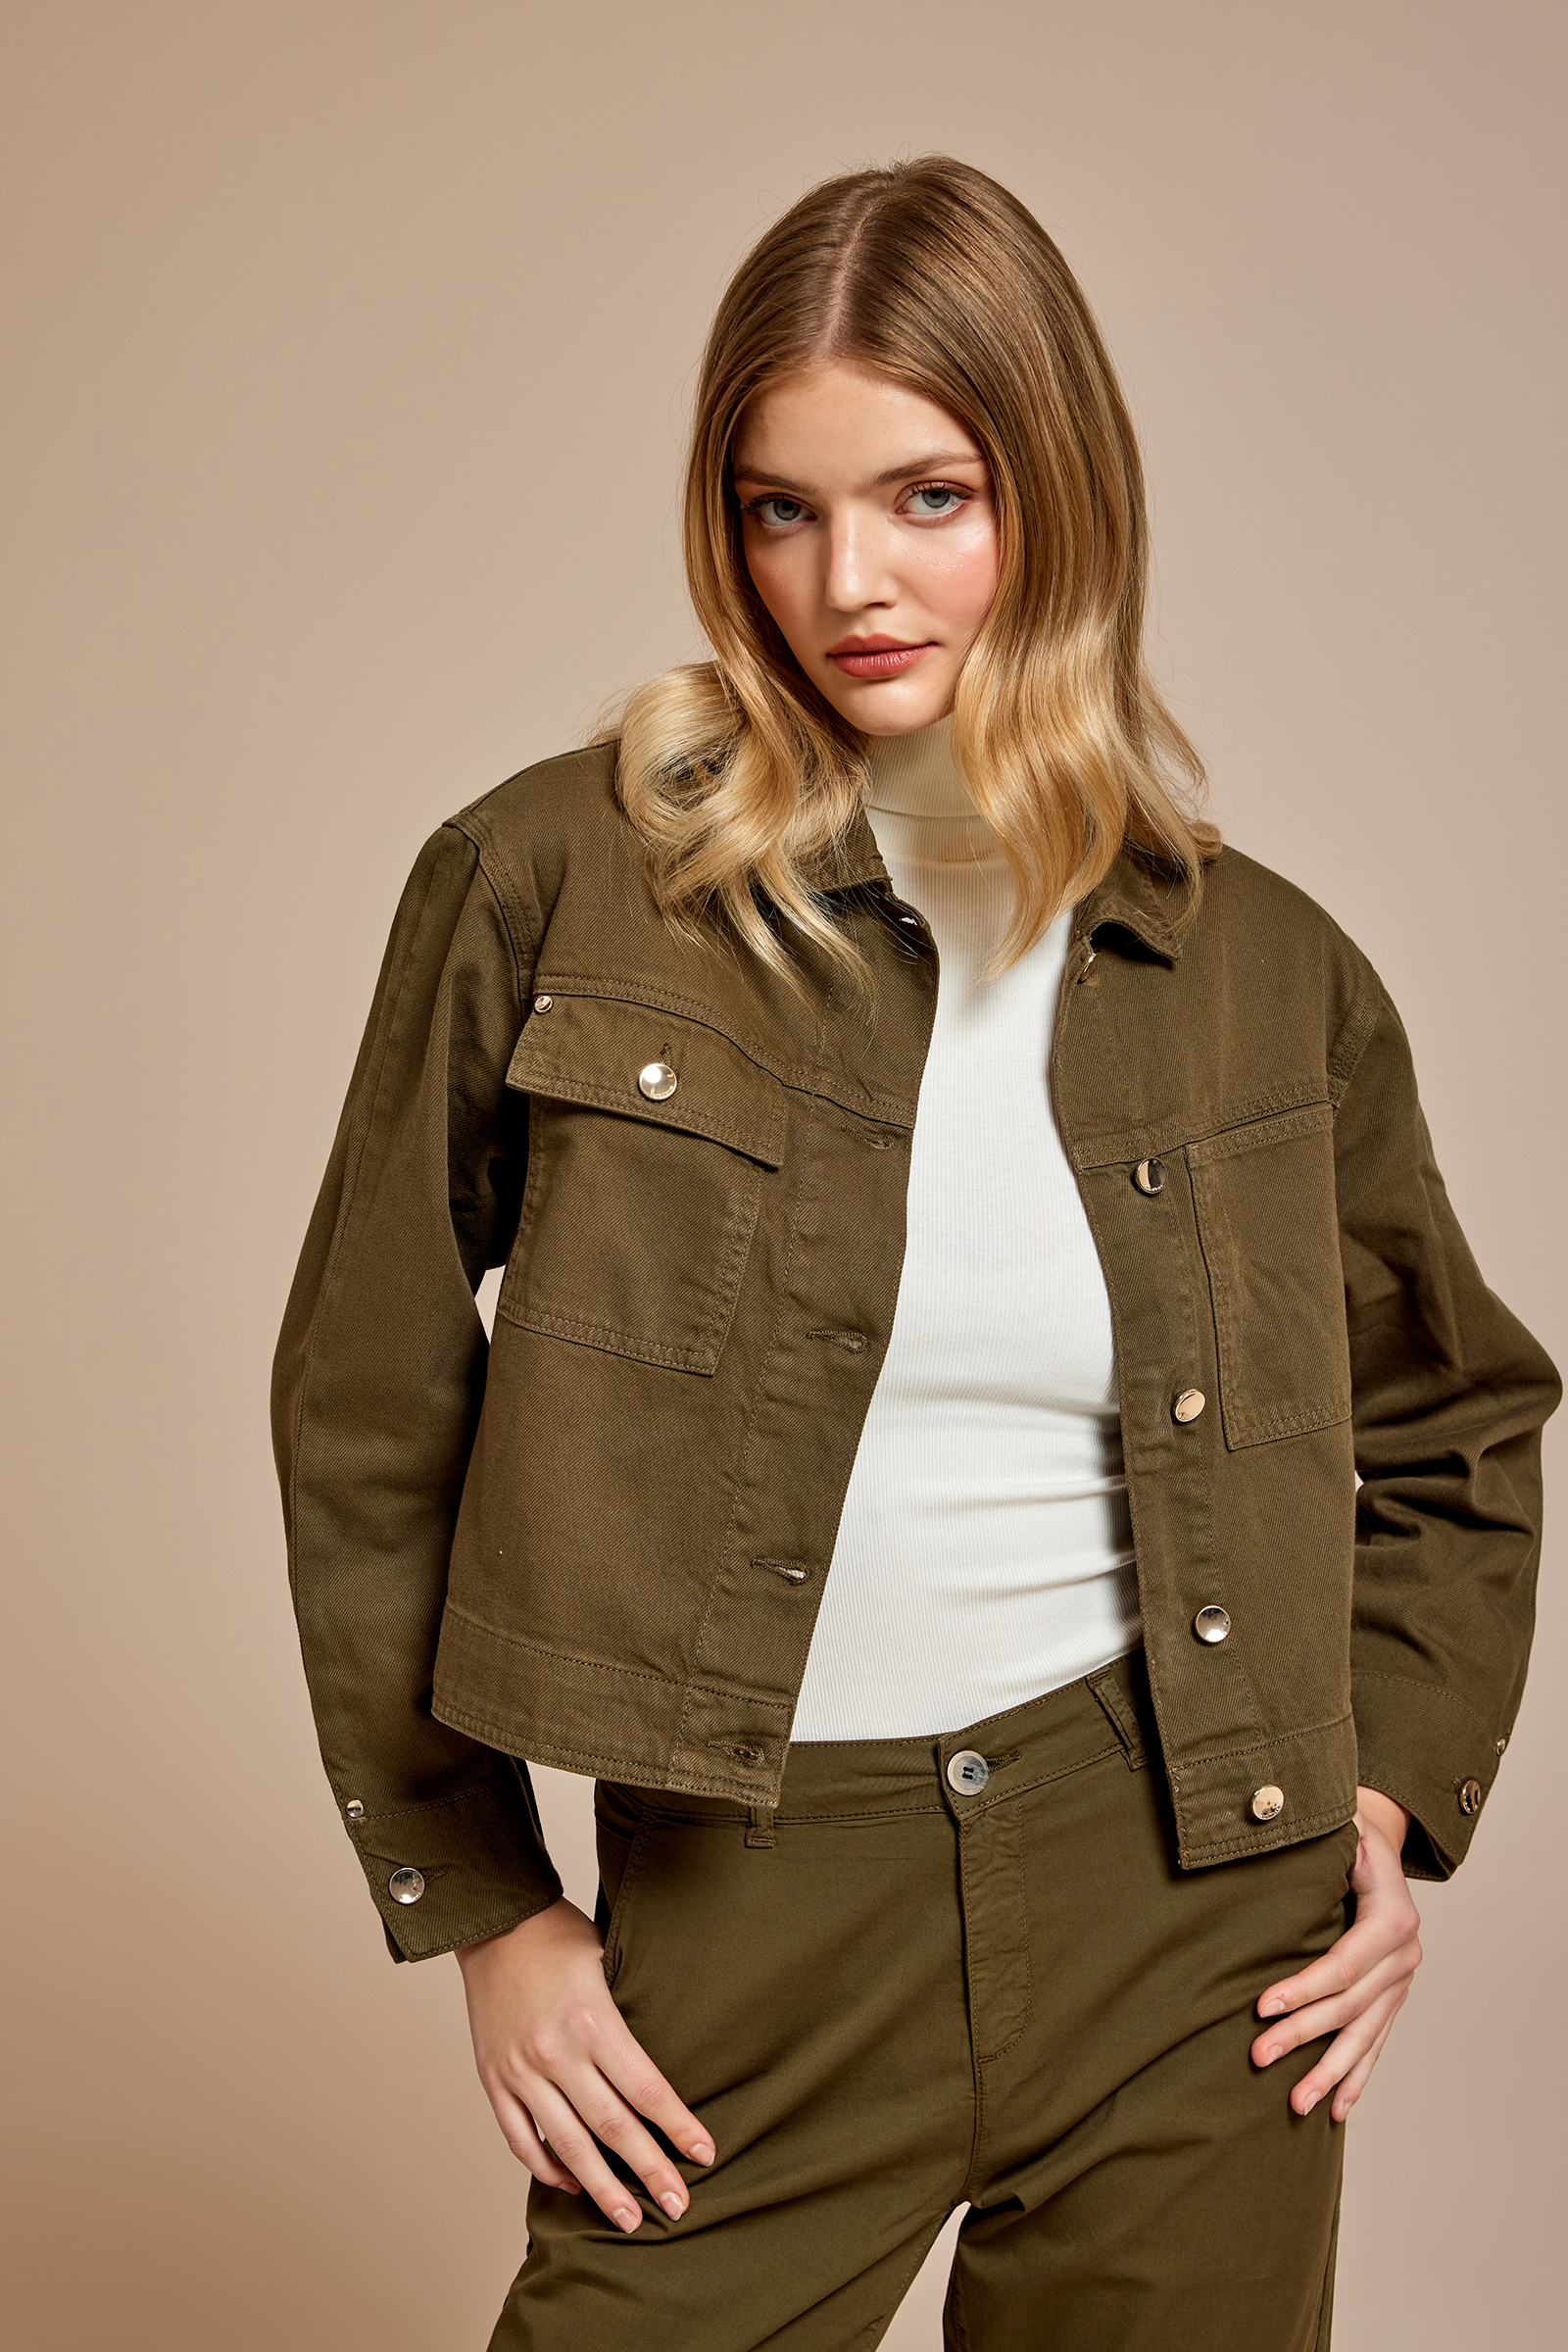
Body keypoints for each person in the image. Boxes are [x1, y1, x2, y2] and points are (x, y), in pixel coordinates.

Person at [271, 157, 1557, 2351]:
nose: (845, 581)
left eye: (927, 498)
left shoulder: (1264, 973)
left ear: (1059, 493)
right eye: (779, 509)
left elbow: (1461, 1414)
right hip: (758, 1899)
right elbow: (367, 1405)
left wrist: (1375, 1798)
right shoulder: (548, 882)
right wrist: (483, 1901)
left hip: (1193, 1912)